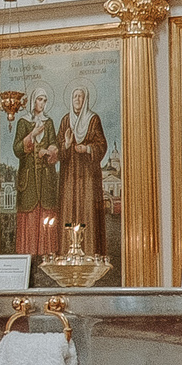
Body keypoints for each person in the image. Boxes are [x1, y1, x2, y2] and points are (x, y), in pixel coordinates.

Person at [56, 85, 107, 257]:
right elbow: (58, 149)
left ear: (85, 100)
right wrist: (68, 144)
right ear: (71, 99)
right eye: (75, 96)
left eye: (80, 96)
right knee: (69, 208)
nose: (77, 99)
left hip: (88, 174)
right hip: (69, 174)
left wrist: (87, 149)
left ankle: (90, 253)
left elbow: (102, 145)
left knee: (88, 209)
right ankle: (66, 253)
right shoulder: (65, 120)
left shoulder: (93, 119)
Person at [10, 88, 60, 255]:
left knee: (47, 214)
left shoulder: (49, 122)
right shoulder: (23, 122)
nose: (42, 103)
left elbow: (54, 144)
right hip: (29, 179)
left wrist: (49, 151)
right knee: (30, 216)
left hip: (46, 179)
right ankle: (28, 255)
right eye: (40, 99)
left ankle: (47, 255)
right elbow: (17, 149)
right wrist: (32, 134)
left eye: (45, 100)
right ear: (33, 101)